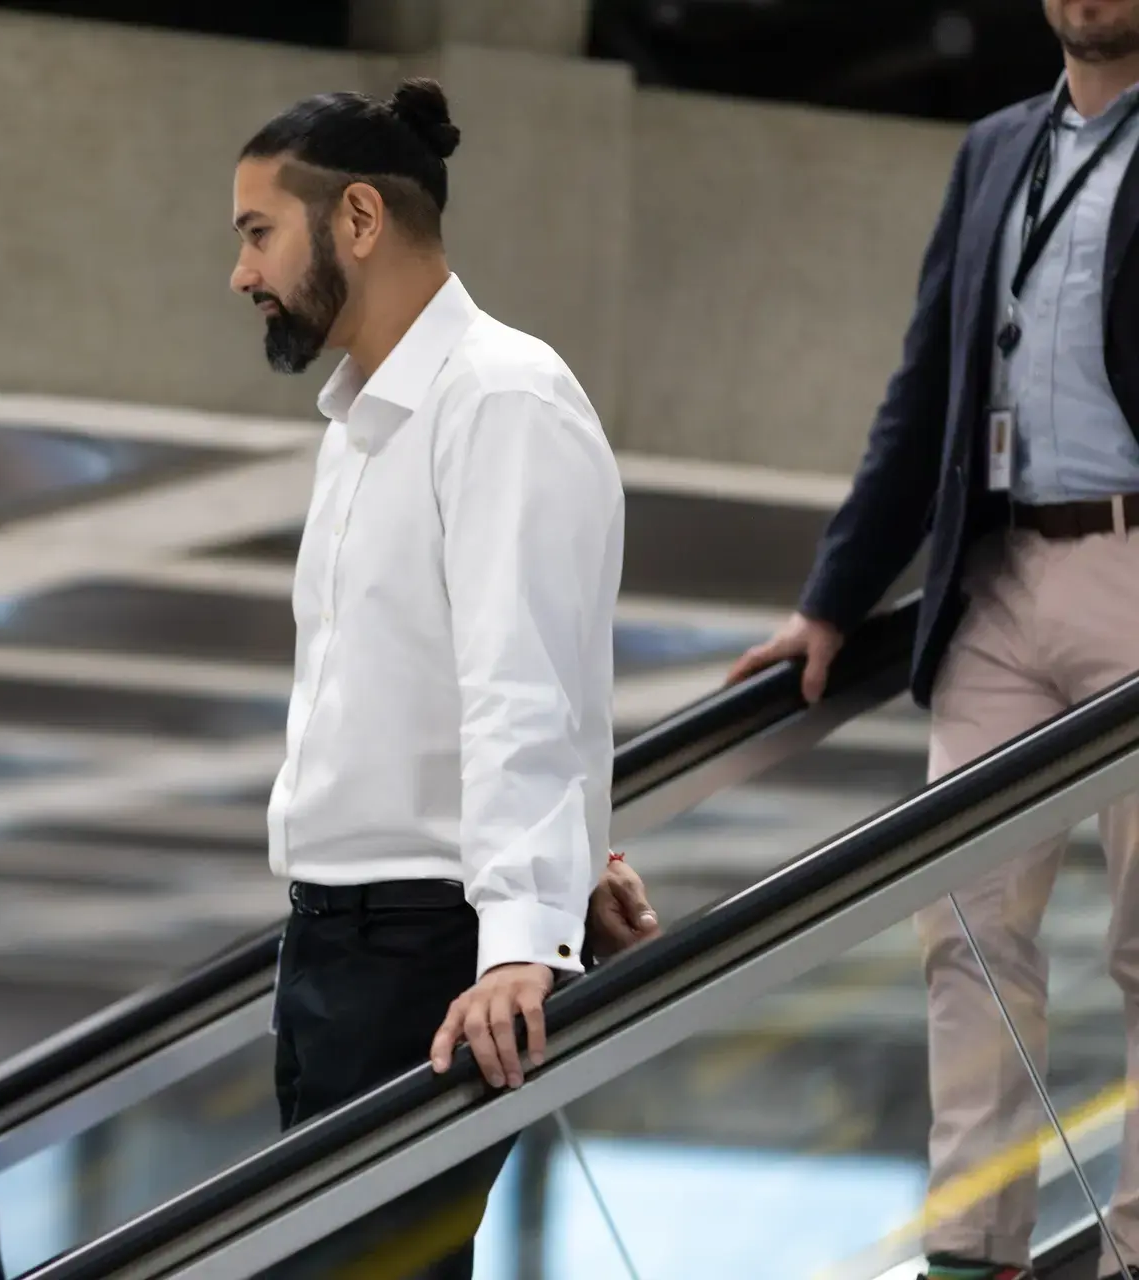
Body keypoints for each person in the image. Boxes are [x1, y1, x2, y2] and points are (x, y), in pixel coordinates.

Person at [726, 3, 1139, 1276]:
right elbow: (924, 390)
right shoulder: (994, 150)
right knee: (962, 923)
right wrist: (833, 600)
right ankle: (971, 1245)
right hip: (1001, 576)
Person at [230, 78, 658, 1277]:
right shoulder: (363, 421)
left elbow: (520, 678)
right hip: (335, 941)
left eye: (259, 232)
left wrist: (525, 928)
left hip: (425, 946)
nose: (243, 273)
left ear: (356, 218)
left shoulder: (500, 395)